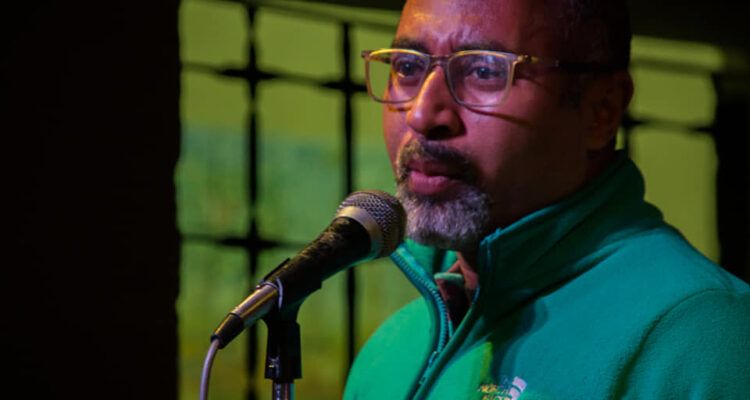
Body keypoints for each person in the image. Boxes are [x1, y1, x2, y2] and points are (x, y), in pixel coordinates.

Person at [344, 0, 750, 398]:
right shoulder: (390, 352)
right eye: (407, 67)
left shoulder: (700, 335)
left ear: (602, 109)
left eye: (484, 71)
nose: (421, 114)